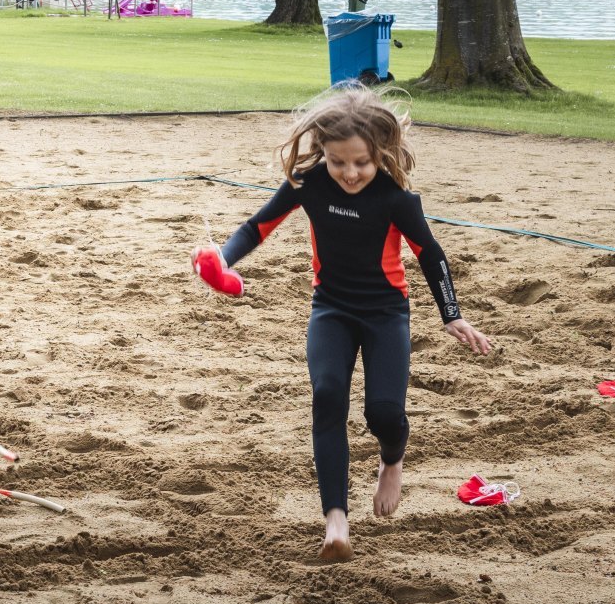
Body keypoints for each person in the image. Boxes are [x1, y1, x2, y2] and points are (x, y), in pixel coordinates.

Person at [195, 86, 492, 563]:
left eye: (361, 163)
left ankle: (391, 460)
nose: (350, 173)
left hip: (386, 314)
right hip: (330, 308)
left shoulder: (396, 198)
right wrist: (221, 261)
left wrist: (451, 314)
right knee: (328, 394)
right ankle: (336, 520)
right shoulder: (307, 184)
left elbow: (430, 254)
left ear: (380, 154)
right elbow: (256, 228)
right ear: (323, 154)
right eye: (338, 162)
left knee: (383, 415)